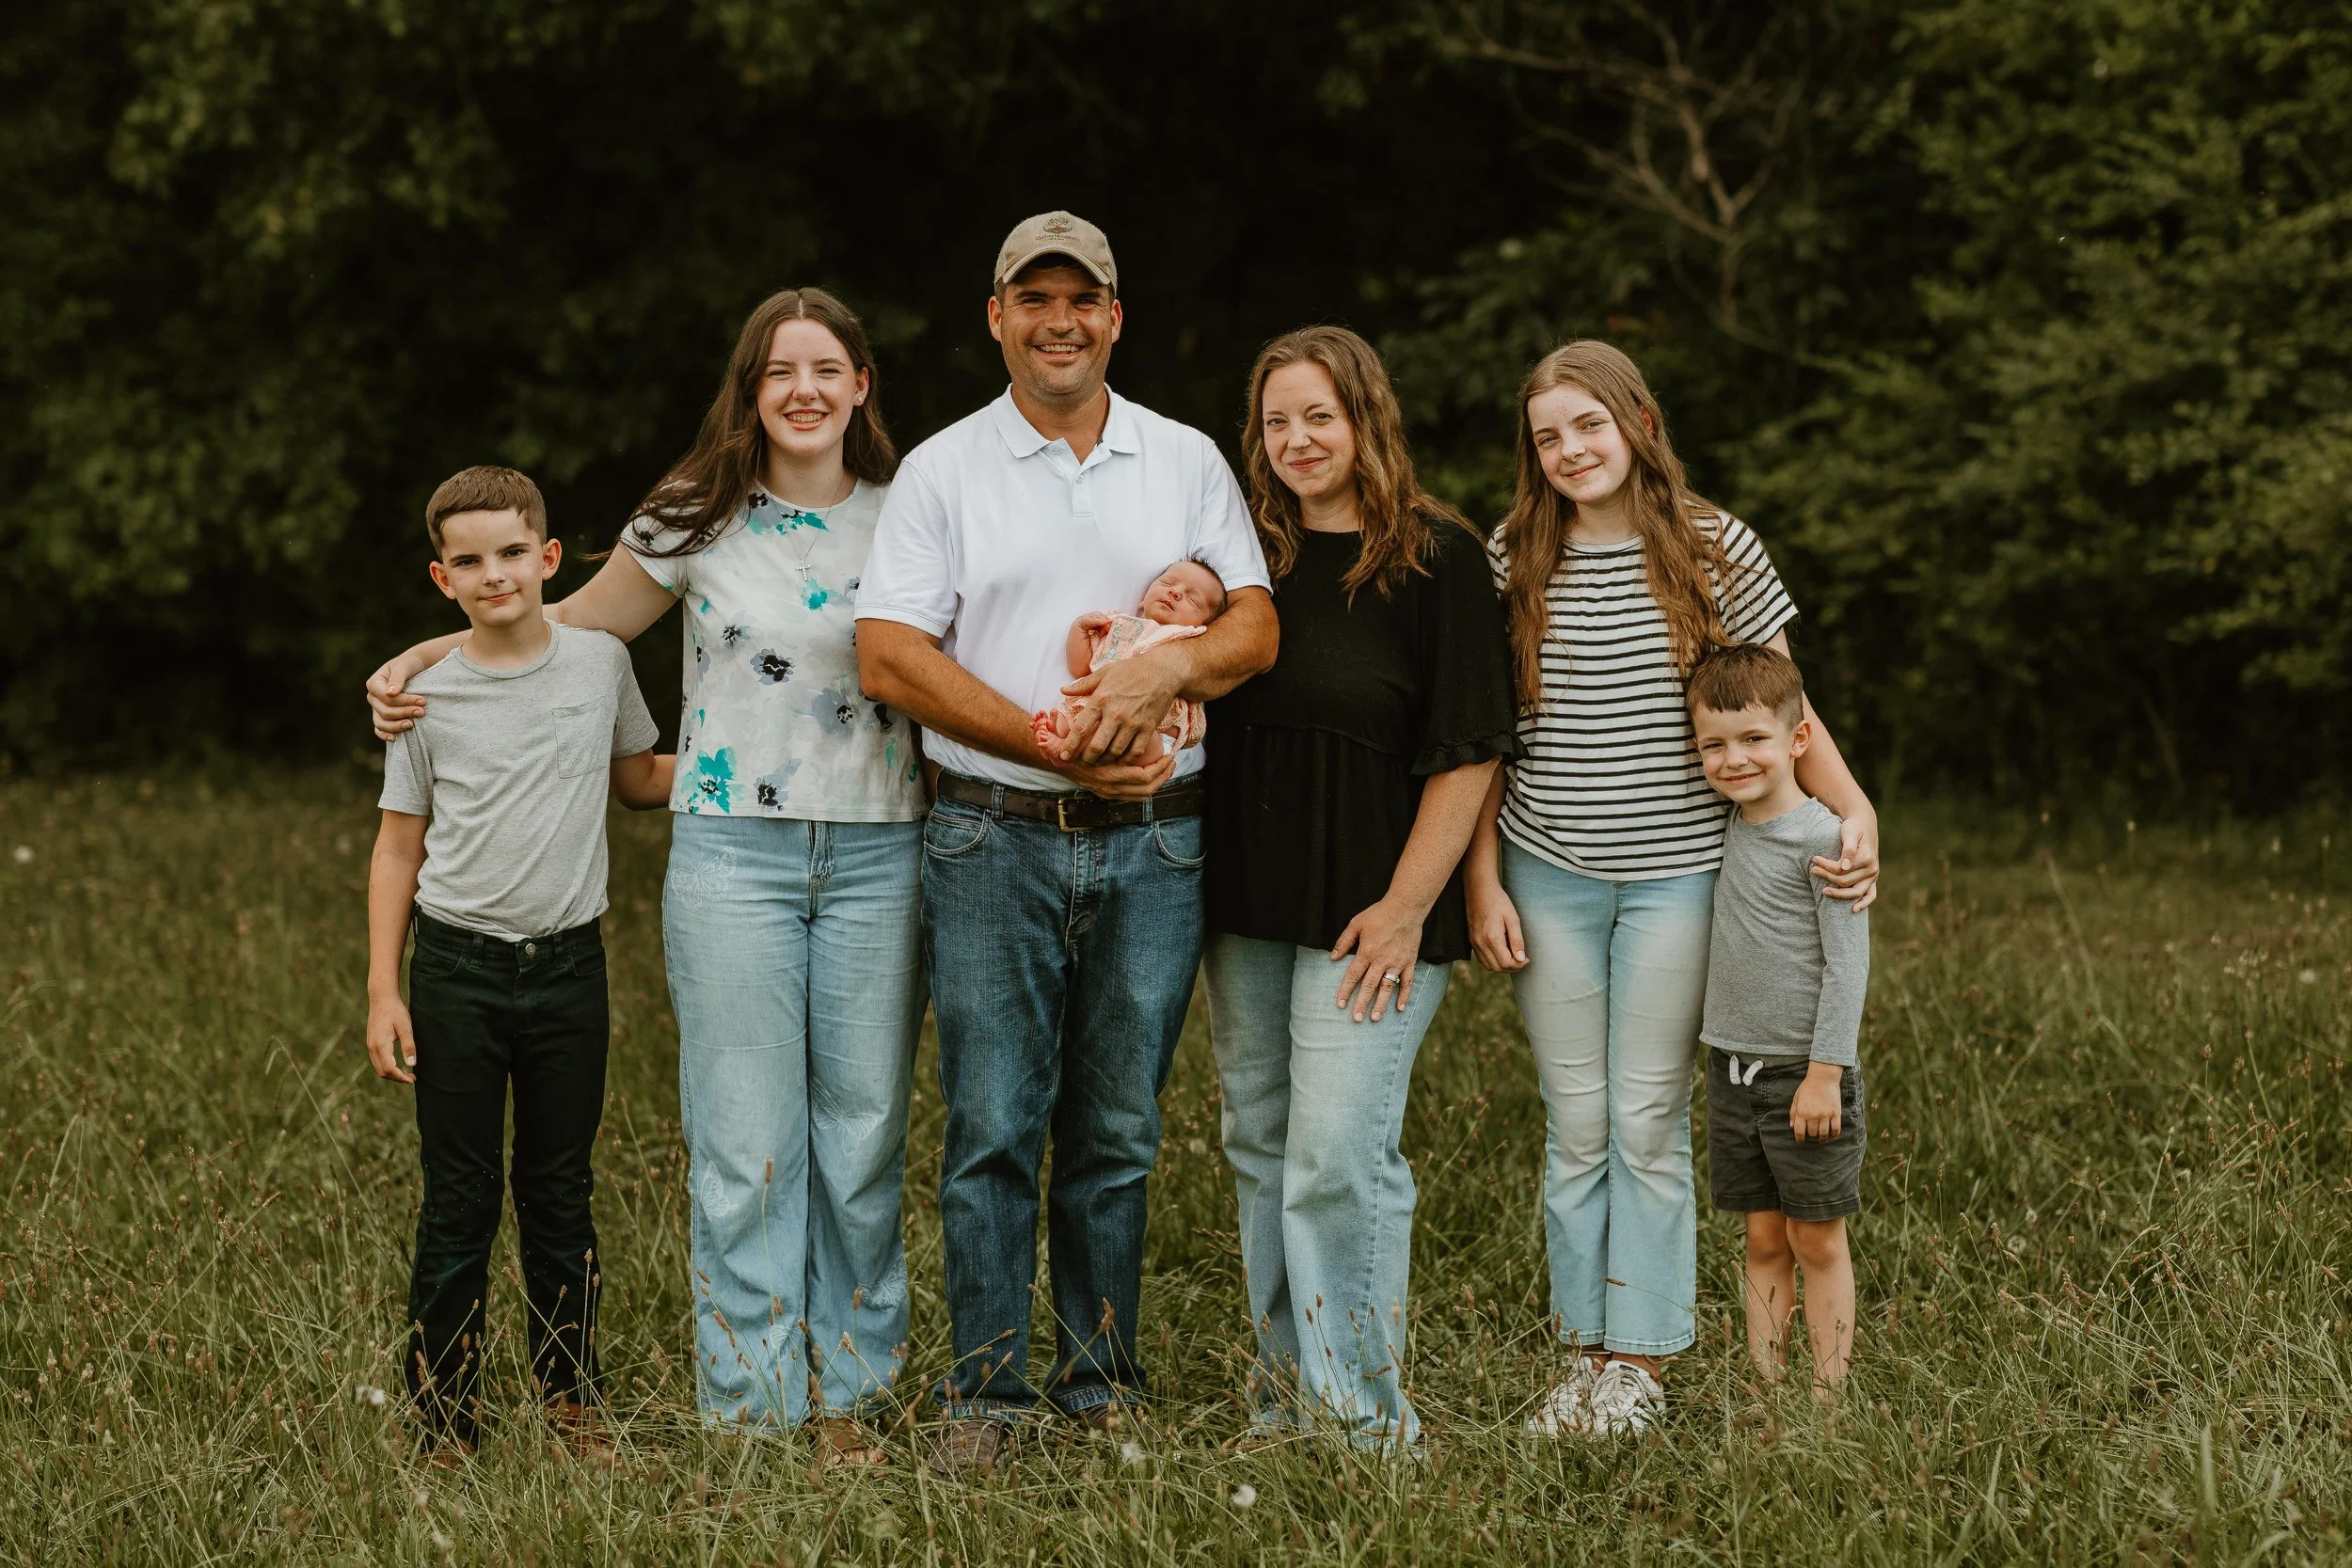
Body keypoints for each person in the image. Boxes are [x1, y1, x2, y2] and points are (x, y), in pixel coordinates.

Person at [367, 290, 925, 1465]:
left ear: (862, 384)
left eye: (828, 367)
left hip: (881, 845)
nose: (805, 390)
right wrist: (419, 656)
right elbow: (554, 623)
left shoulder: (915, 512)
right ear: (750, 387)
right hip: (732, 855)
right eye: (780, 371)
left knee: (863, 1129)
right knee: (742, 1135)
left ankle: (852, 1399)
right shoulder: (691, 516)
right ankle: (751, 1401)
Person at [855, 211, 1277, 1474]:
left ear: (1114, 315)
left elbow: (1252, 626)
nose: (1057, 321)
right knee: (991, 1122)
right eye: (1030, 298)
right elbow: (889, 653)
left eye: (1079, 298)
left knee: (1116, 1129)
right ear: (996, 316)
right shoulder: (944, 468)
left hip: (1158, 841)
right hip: (993, 833)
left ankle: (1101, 1387)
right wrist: (1052, 741)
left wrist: (1163, 680)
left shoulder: (1185, 458)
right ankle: (986, 1398)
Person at [1463, 340, 1879, 1438]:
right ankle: (1581, 1353)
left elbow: (1783, 699)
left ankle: (1639, 1364)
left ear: (1636, 420)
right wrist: (1480, 879)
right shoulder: (1514, 556)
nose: (1569, 450)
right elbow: (1485, 738)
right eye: (1547, 435)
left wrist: (1857, 810)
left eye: (1587, 424)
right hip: (1544, 868)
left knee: (1644, 1117)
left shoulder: (1713, 545)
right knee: (1575, 1121)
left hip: (1679, 875)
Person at [1202, 326, 1520, 1449]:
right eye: (1276, 420)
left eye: (1318, 416)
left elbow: (1470, 746)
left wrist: (1403, 906)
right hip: (1244, 904)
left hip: (1375, 910)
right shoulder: (1244, 558)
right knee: (1261, 1149)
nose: (1296, 439)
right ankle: (1283, 1400)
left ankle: (1364, 1422)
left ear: (1365, 420)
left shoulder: (1434, 557)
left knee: (1338, 1157)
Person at [363, 466, 669, 1457]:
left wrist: (752, 746)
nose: (492, 573)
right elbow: (398, 845)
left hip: (569, 971)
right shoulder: (424, 698)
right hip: (454, 970)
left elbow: (636, 782)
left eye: (509, 554)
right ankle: (446, 1417)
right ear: (440, 578)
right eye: (468, 560)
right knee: (458, 1195)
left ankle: (570, 1397)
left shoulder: (597, 664)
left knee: (559, 1187)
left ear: (545, 558)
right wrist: (382, 985)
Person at [1687, 642, 1868, 1391]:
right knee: (1762, 1237)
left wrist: (1826, 1072)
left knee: (1816, 1238)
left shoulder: (1827, 840)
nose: (1734, 759)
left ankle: (1825, 1401)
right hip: (1731, 1069)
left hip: (1805, 1074)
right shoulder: (1725, 822)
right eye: (1714, 744)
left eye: (1754, 738)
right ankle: (1767, 1391)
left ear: (1798, 740)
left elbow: (1847, 963)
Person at [1033, 559, 1227, 760]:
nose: (1176, 592)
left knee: (1147, 743)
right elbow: (1082, 669)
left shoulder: (1186, 641)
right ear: (1143, 600)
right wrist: (1079, 630)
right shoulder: (1120, 627)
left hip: (1154, 726)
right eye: (1167, 584)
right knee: (1072, 719)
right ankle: (1061, 744)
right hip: (1100, 711)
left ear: (1203, 627)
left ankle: (1066, 749)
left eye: (1192, 599)